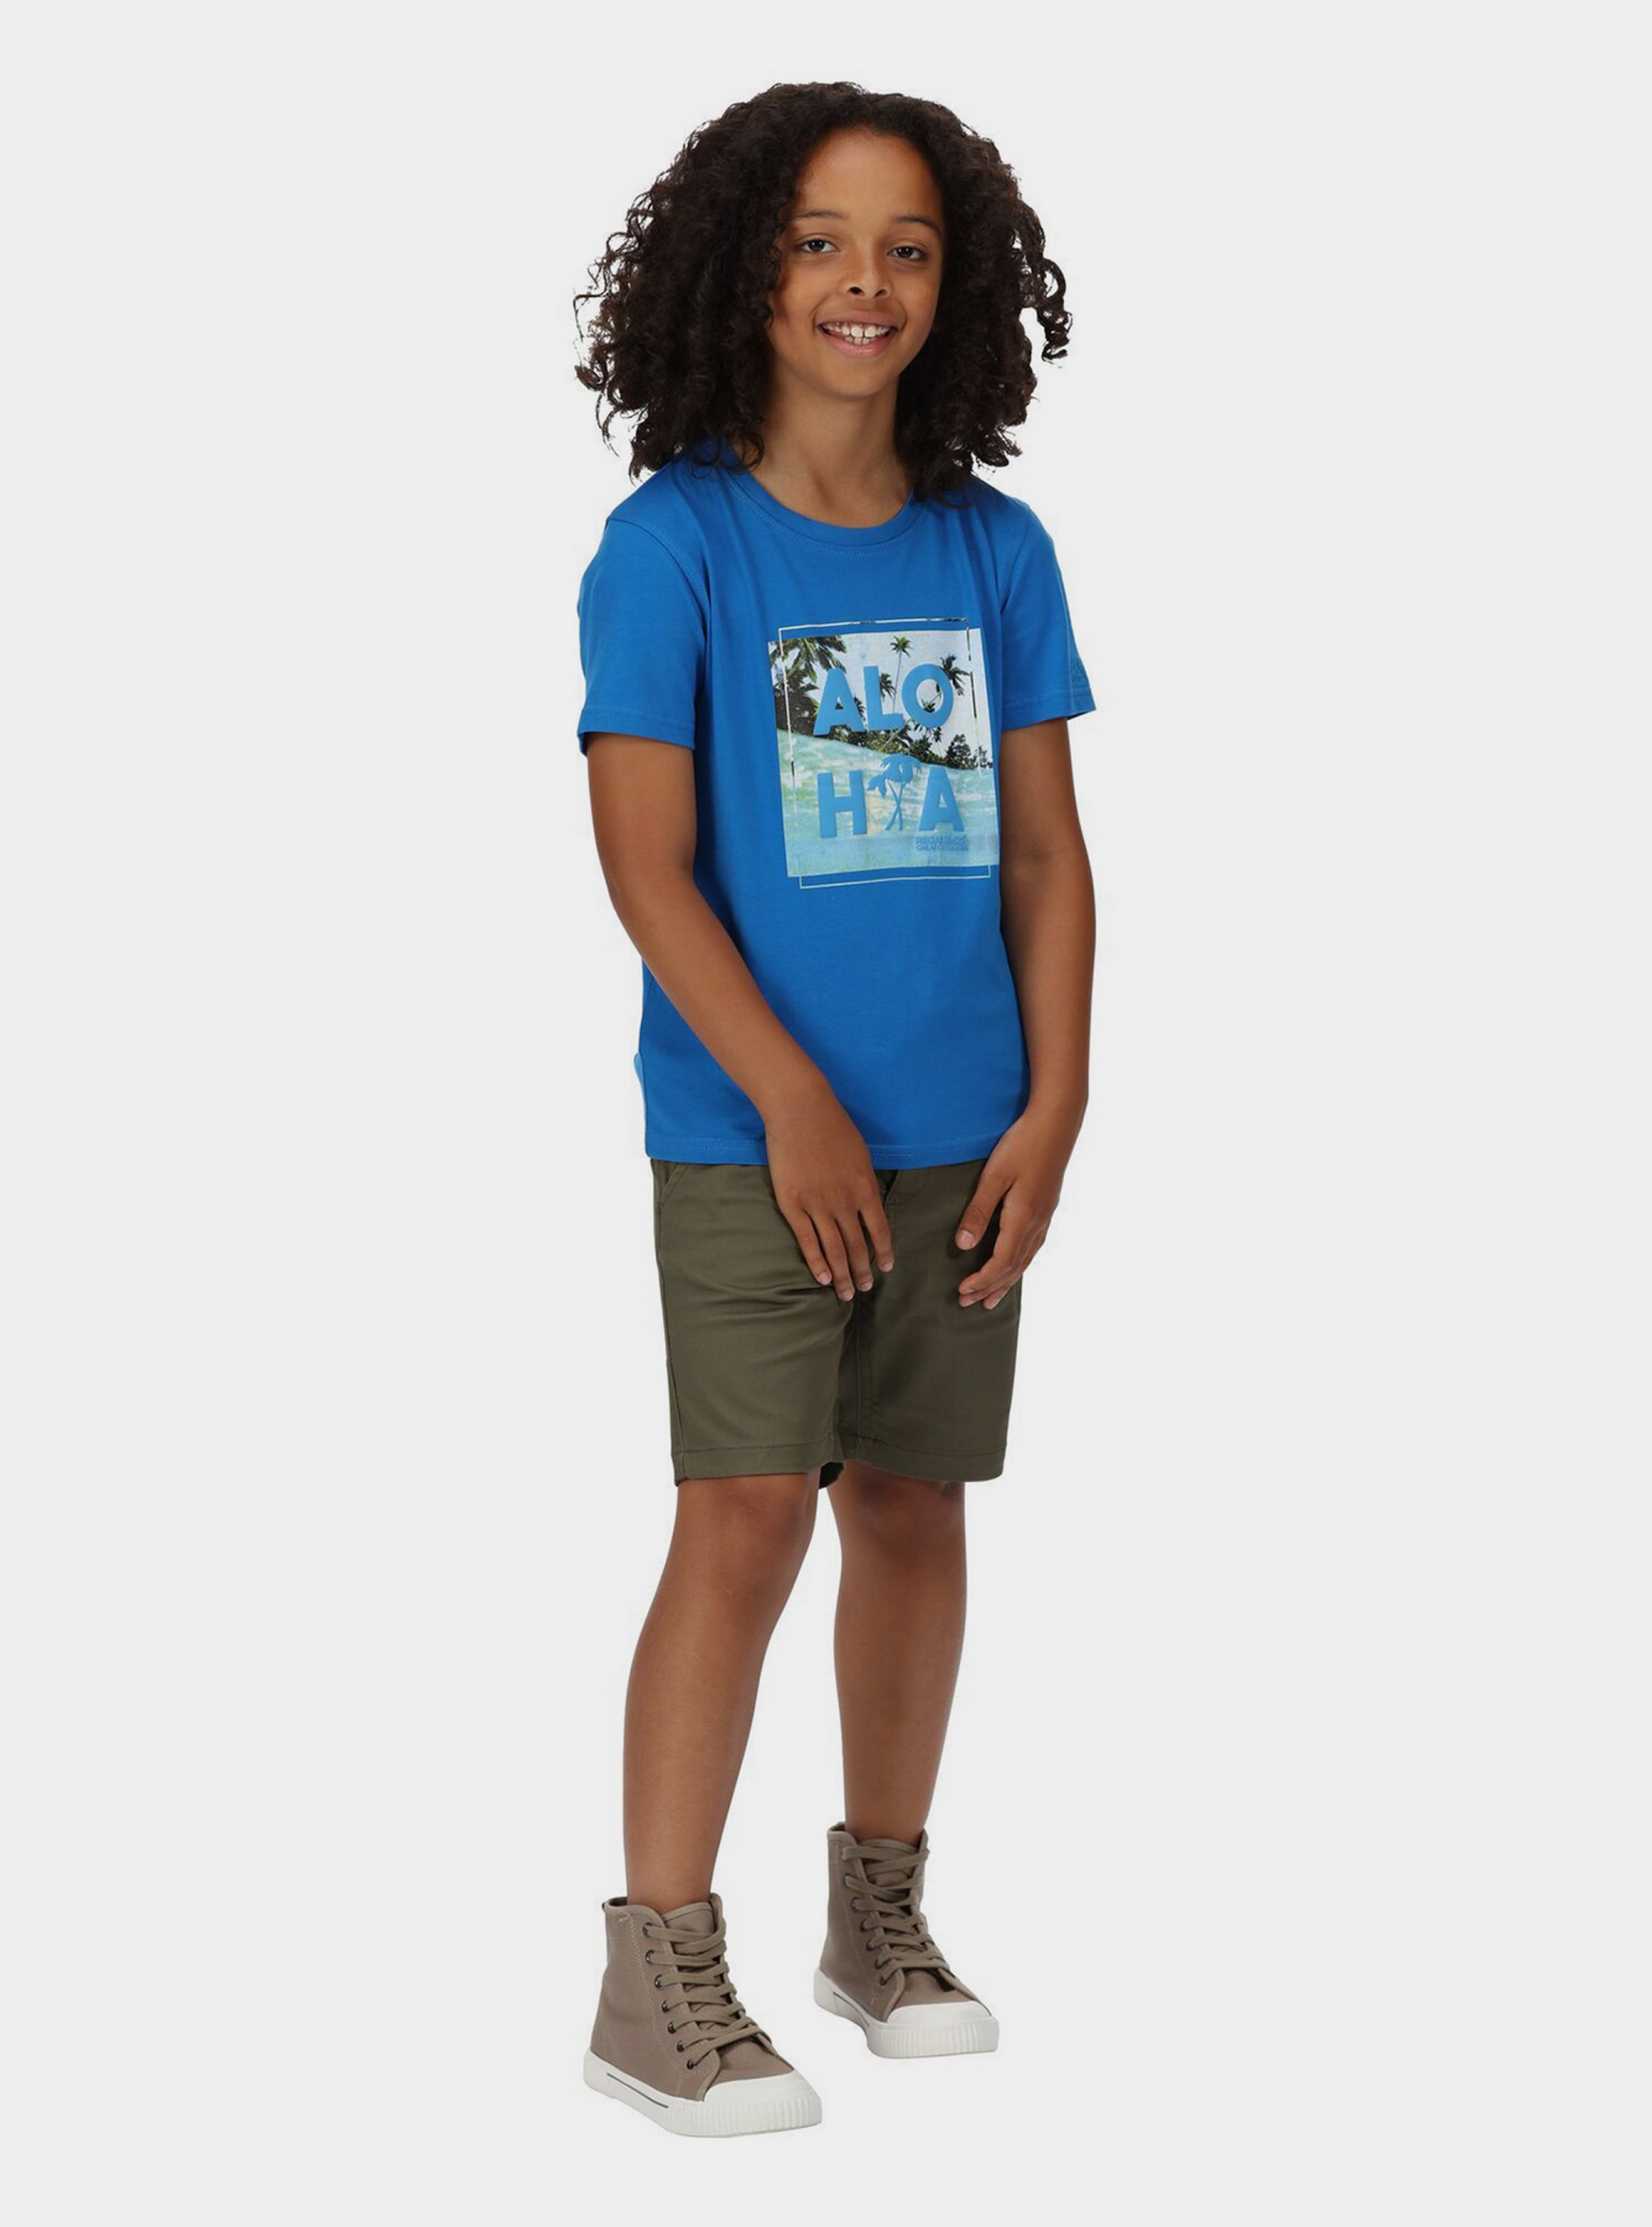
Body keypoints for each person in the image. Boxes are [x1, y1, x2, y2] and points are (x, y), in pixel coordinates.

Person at [572, 82, 1096, 2138]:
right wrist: (784, 1093)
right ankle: (655, 1971)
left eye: (903, 245)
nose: (859, 281)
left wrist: (1055, 1103)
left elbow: (1044, 857)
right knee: (744, 1511)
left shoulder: (993, 549)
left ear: (953, 285)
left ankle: (877, 1917)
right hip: (747, 1136)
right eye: (814, 239)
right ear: (742, 269)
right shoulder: (673, 545)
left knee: (908, 1502)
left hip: (961, 1130)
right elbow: (645, 866)